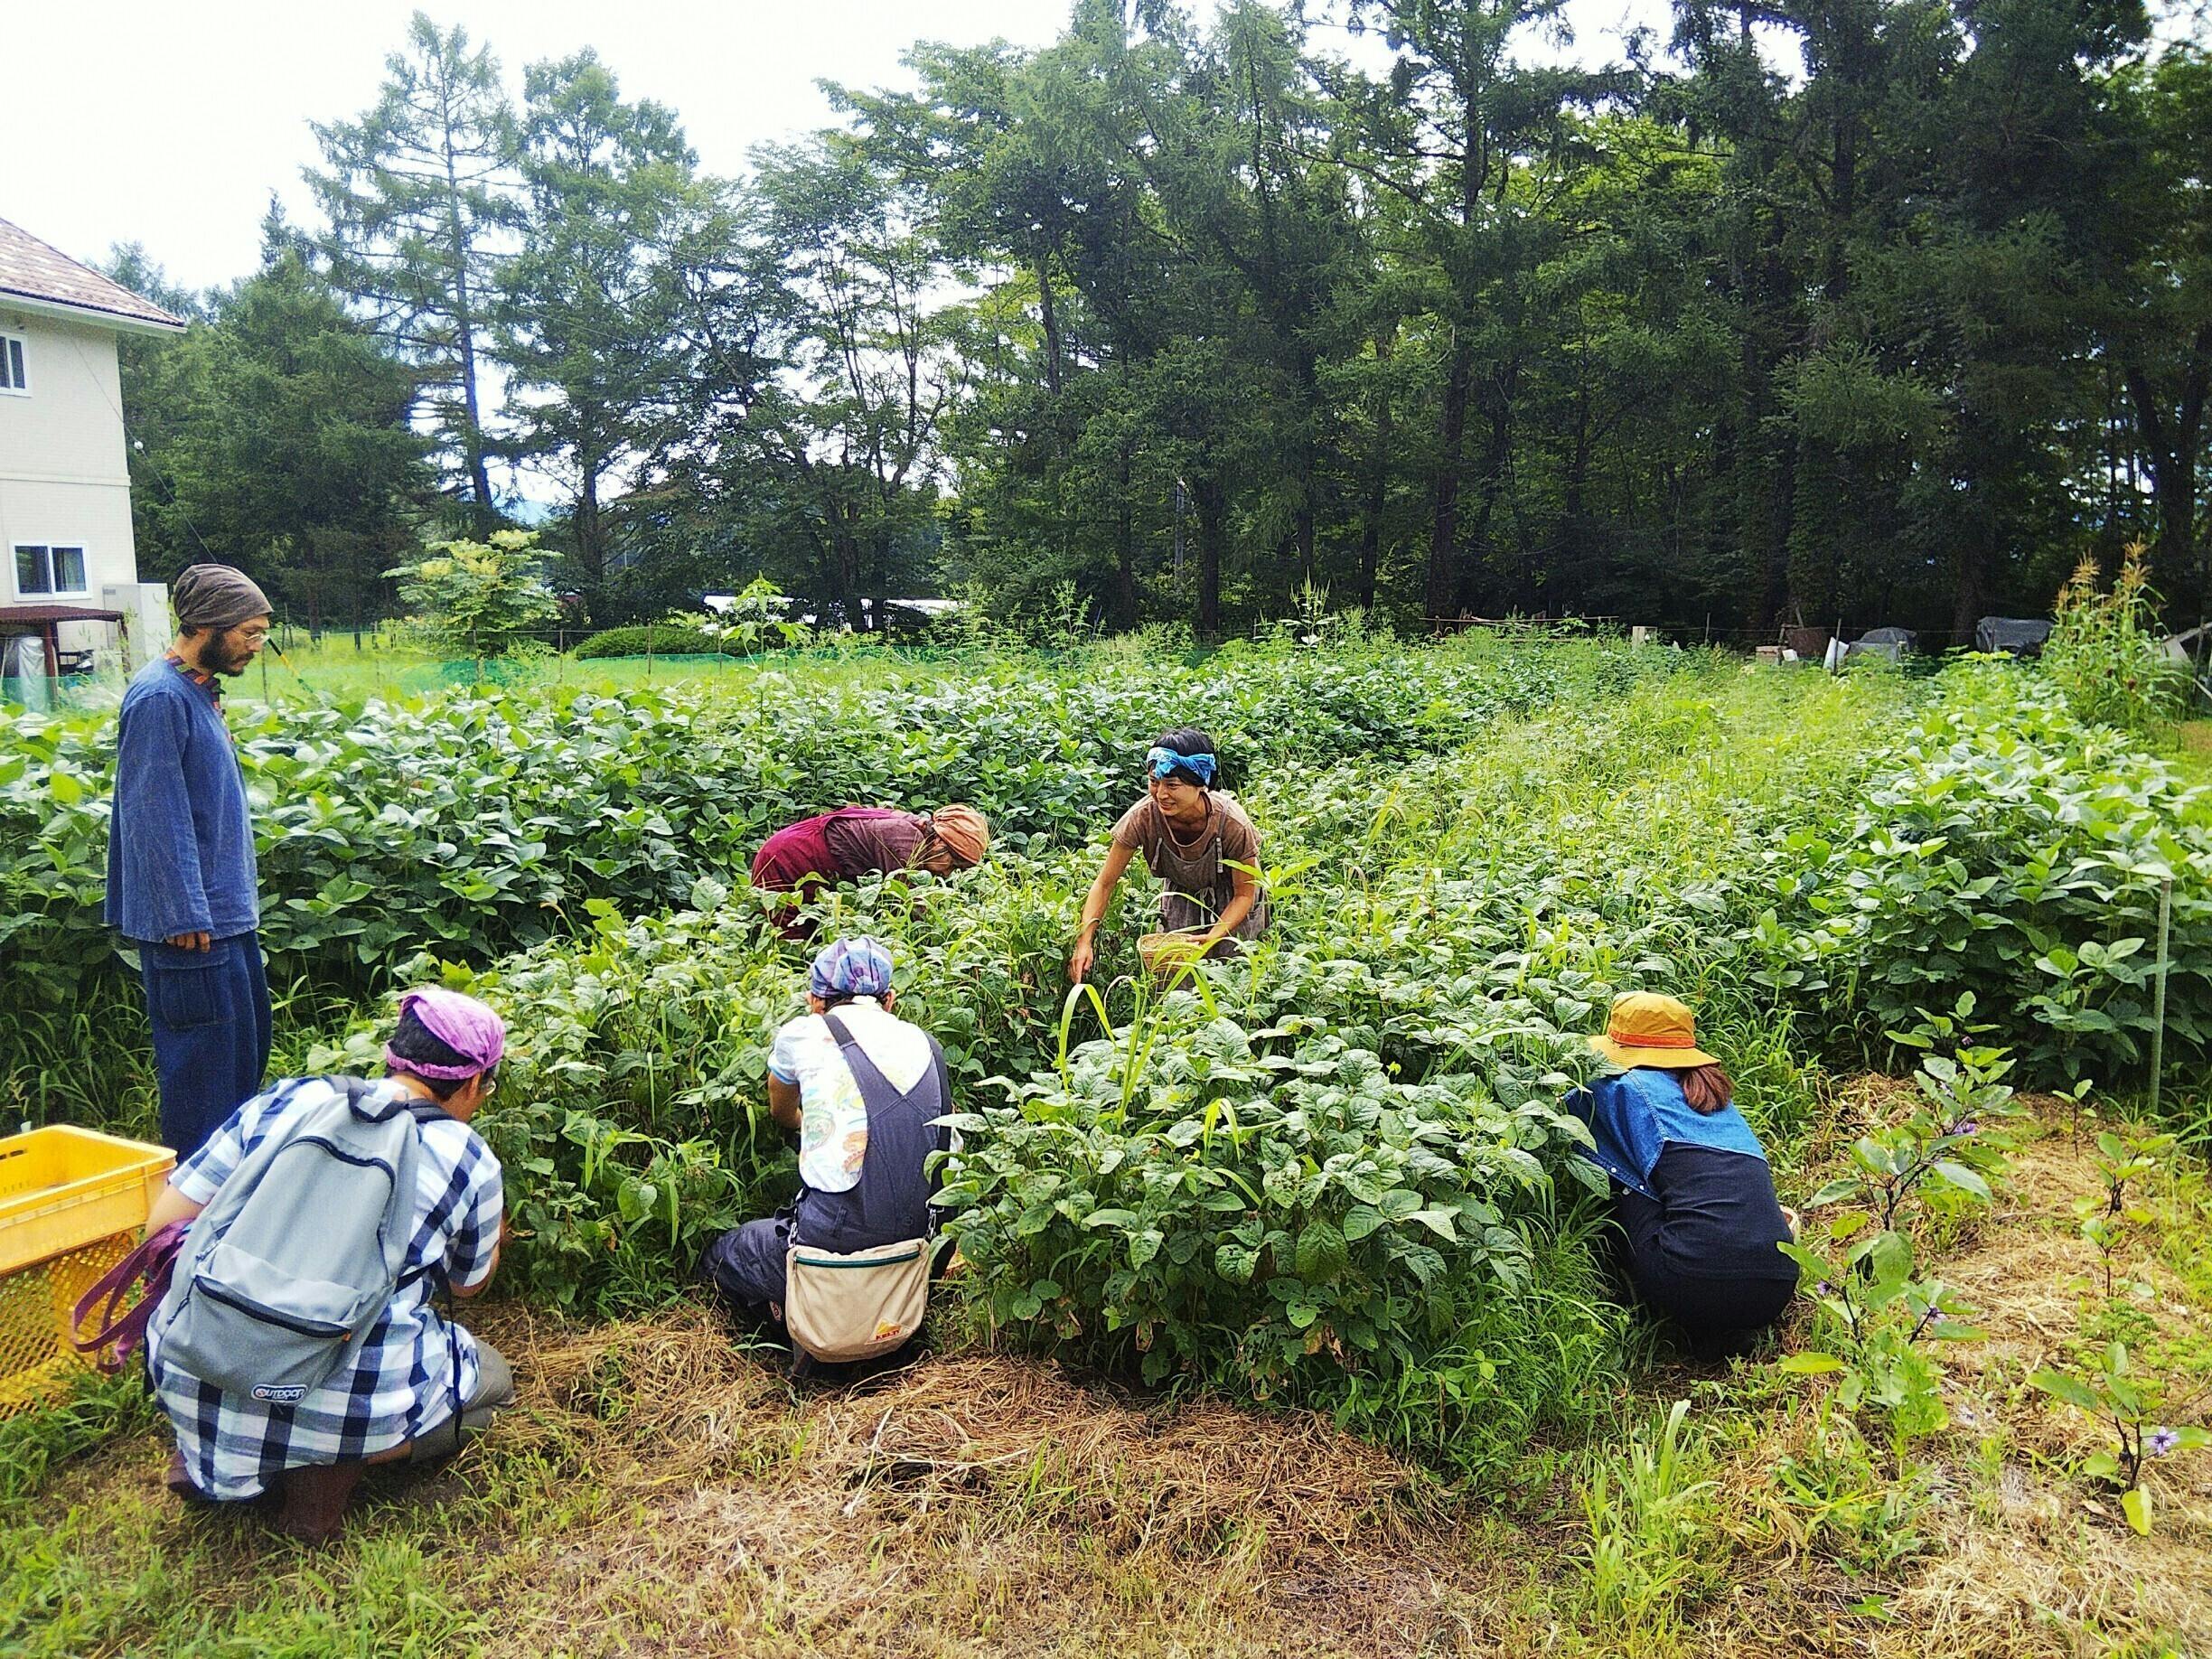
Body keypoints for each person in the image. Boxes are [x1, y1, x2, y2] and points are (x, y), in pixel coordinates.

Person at [143, 988, 514, 1543]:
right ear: (469, 1085)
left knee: (239, 1352)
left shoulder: (290, 1098)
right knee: (495, 1385)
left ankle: (208, 1453)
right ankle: (319, 1476)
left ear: (393, 1057)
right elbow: (468, 1287)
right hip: (346, 1394)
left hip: (194, 1359)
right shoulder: (467, 1155)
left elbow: (161, 1229)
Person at [106, 563, 276, 1158]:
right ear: (207, 624)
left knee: (238, 1072)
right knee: (203, 1089)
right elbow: (152, 814)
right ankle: (185, 1233)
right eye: (249, 633)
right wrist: (180, 914)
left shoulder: (196, 689)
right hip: (192, 930)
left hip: (226, 919)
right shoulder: (159, 697)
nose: (256, 646)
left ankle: (225, 1216)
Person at [698, 937, 951, 1336]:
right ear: (890, 999)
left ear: (816, 1001)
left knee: (726, 1253)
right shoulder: (929, 1046)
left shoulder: (802, 1034)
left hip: (834, 1236)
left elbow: (781, 1111)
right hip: (921, 1243)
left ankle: (792, 1324)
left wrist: (807, 1124)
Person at [1567, 992, 1798, 1357]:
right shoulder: (1716, 1097)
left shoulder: (1619, 1086)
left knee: (1623, 1176)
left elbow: (1558, 1109)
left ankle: (1633, 1301)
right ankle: (1721, 1329)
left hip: (1688, 1281)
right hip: (1777, 1286)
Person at [1067, 727, 1269, 984]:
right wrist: (1085, 940)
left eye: (1172, 785)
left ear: (1201, 784)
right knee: (1175, 987)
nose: (1161, 794)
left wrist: (1214, 935)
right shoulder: (1143, 817)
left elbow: (1244, 894)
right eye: (1154, 782)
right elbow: (1104, 883)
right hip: (1180, 899)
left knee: (1233, 981)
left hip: (1233, 902)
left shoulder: (1231, 823)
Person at [749, 804, 990, 937]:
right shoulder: (904, 843)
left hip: (803, 856)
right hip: (788, 859)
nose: (948, 873)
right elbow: (911, 913)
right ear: (939, 841)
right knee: (784, 939)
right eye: (953, 862)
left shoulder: (917, 830)